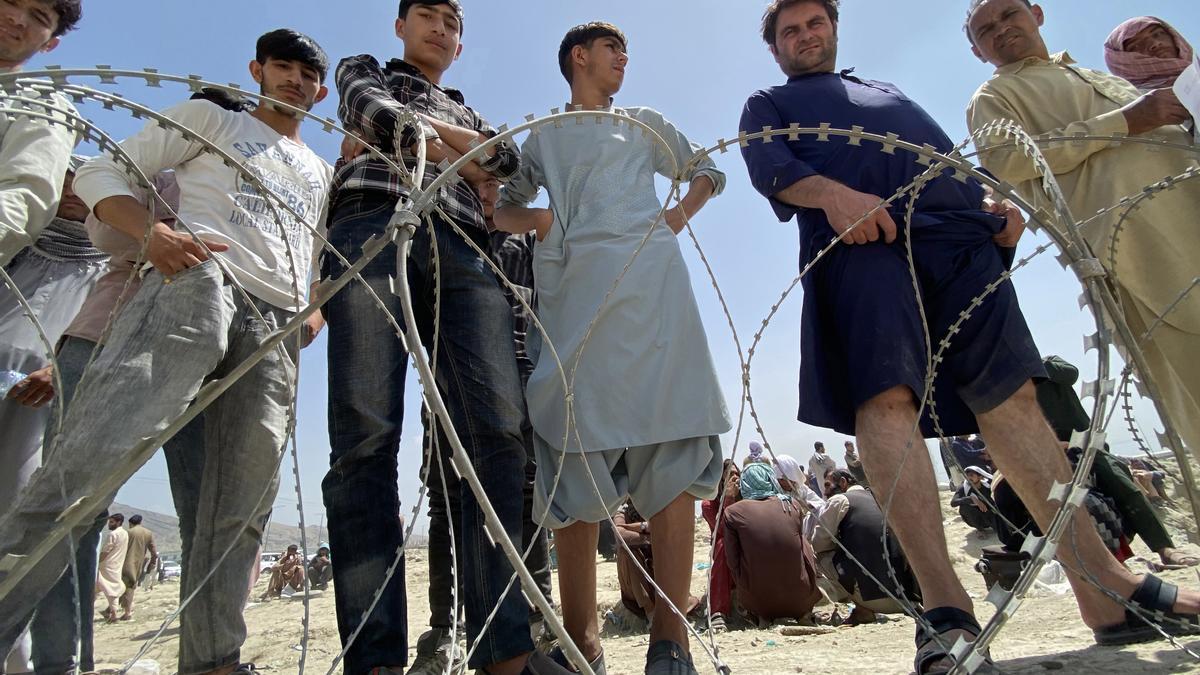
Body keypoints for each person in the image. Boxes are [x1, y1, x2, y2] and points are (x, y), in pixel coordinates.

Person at [742, 2, 1199, 669]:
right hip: (864, 240)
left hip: (958, 239)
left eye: (815, 23)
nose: (806, 36)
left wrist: (990, 199)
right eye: (790, 31)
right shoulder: (770, 100)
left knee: (1012, 395)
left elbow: (943, 155)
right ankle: (945, 607)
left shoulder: (886, 90)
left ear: (834, 31)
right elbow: (767, 163)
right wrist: (830, 195)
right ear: (777, 49)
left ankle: (1108, 588)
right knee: (886, 397)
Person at [0, 29, 334, 675]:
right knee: (91, 462)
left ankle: (214, 660)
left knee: (240, 499)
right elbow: (103, 171)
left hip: (271, 322)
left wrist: (310, 305)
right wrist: (152, 233)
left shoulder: (319, 169)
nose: (295, 80)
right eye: (283, 67)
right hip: (198, 282)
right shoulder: (212, 119)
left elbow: (310, 250)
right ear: (257, 71)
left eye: (307, 74)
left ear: (320, 89)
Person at [321, 2, 565, 673]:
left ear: (461, 44)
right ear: (401, 25)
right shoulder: (365, 69)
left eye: (453, 23)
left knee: (496, 431)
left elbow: (507, 159)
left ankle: (505, 650)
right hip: (372, 223)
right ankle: (375, 658)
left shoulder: (474, 110)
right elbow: (380, 118)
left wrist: (459, 147)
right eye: (427, 15)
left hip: (463, 246)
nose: (440, 29)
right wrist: (459, 148)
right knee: (365, 433)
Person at [495, 20, 729, 675]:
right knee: (573, 447)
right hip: (573, 301)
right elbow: (500, 207)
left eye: (625, 50)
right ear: (578, 56)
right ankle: (581, 643)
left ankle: (671, 640)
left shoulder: (646, 123)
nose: (624, 59)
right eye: (612, 49)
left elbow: (706, 169)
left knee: (674, 443)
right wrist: (544, 221)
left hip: (656, 293)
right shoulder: (544, 136)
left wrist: (675, 218)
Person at [965, 0, 1200, 469]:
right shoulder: (996, 96)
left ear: (1037, 13)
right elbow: (1009, 160)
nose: (1001, 30)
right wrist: (1127, 120)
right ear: (977, 51)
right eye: (985, 29)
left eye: (1009, 14)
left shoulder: (1095, 75)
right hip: (1141, 248)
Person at [406, 176, 555, 675]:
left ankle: (537, 616)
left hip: (524, 386)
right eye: (478, 186)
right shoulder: (446, 243)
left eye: (495, 186)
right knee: (448, 504)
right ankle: (446, 627)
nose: (488, 196)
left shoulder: (522, 245)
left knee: (528, 501)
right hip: (453, 391)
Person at [1035, 354, 1197, 568]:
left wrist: (1036, 365)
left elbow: (1070, 374)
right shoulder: (1010, 385)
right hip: (1048, 457)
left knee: (1122, 484)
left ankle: (1164, 548)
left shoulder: (1049, 364)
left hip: (1087, 448)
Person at [0, 0, 83, 269]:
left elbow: (24, 202)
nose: (17, 18)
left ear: (50, 44)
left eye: (38, 17)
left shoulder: (42, 107)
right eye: (11, 1)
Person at [812, 471, 919, 625]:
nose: (825, 492)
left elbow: (818, 543)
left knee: (817, 557)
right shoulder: (880, 499)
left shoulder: (840, 500)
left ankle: (862, 609)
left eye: (828, 485)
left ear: (843, 482)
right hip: (909, 598)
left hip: (874, 600)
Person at [723, 463, 823, 624]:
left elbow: (732, 560)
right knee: (802, 542)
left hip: (758, 604)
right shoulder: (791, 505)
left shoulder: (733, 512)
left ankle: (763, 614)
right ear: (770, 479)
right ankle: (803, 610)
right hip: (802, 599)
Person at [613, 502, 703, 623]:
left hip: (660, 576)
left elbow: (670, 528)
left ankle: (678, 601)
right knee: (628, 551)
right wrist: (646, 531)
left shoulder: (656, 505)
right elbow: (620, 533)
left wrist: (636, 528)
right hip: (638, 588)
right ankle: (650, 612)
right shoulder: (623, 511)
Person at [700, 460, 740, 633]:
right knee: (723, 545)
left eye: (738, 474)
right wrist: (729, 498)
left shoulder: (747, 493)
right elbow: (721, 530)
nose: (736, 478)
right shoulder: (709, 504)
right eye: (731, 474)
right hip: (726, 544)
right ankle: (718, 612)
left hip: (745, 543)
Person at [1105, 17, 1194, 92]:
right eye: (1136, 46)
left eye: (1158, 34)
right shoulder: (1130, 101)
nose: (1155, 44)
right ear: (1121, 62)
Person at [120, 514, 158, 620]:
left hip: (125, 563)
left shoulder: (128, 532)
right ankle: (112, 609)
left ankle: (127, 613)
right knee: (128, 585)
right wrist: (152, 564)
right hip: (139, 565)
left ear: (131, 523)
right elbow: (154, 552)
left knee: (127, 587)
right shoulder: (148, 533)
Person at [95, 514, 128, 624]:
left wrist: (97, 561)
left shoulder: (113, 534)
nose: (109, 524)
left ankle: (114, 615)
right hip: (116, 564)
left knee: (110, 589)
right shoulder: (125, 533)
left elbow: (105, 551)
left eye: (112, 522)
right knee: (97, 588)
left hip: (107, 565)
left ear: (118, 522)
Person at [950, 467, 995, 535]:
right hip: (976, 519)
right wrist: (971, 499)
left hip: (990, 515)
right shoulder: (963, 487)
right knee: (964, 507)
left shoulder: (988, 486)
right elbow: (953, 503)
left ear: (980, 477)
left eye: (971, 475)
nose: (969, 478)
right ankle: (980, 529)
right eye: (967, 476)